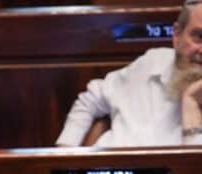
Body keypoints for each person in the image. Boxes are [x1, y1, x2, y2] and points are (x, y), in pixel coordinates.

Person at [57, 0, 202, 147]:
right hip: (107, 159)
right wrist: (65, 149)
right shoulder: (153, 62)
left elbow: (193, 162)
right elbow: (90, 100)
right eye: (199, 36)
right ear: (177, 35)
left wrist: (191, 104)